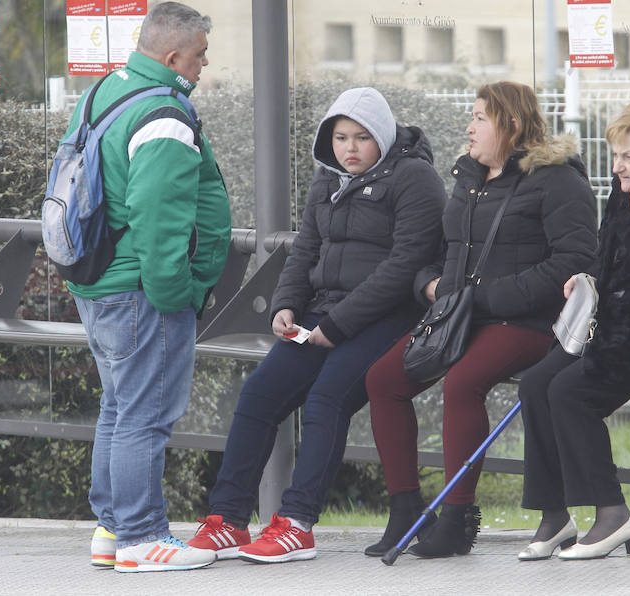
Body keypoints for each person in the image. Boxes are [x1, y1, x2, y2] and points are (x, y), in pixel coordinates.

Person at [187, 87, 446, 564]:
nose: (349, 148)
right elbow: (305, 250)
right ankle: (228, 519)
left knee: (328, 398)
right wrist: (285, 306)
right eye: (341, 137)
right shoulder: (327, 179)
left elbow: (405, 265)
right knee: (260, 394)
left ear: (384, 136)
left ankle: (297, 524)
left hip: (387, 318)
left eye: (362, 138)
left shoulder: (415, 179)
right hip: (321, 314)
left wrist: (339, 325)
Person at [364, 81, 598, 559]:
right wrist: (428, 285)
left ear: (511, 126)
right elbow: (438, 251)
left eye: (480, 119)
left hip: (529, 323)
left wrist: (489, 298)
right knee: (382, 379)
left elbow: (575, 258)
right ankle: (406, 509)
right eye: (471, 118)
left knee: (462, 382)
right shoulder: (467, 177)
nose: (469, 128)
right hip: (459, 316)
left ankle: (458, 518)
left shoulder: (556, 179)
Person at [69, 2, 231, 573]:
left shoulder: (106, 91)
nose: (203, 65)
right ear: (171, 56)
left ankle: (111, 530)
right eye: (199, 54)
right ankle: (142, 538)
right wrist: (178, 293)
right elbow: (160, 220)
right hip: (143, 290)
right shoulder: (163, 114)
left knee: (119, 407)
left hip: (99, 283)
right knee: (145, 415)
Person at [516, 102, 630, 561]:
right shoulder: (624, 194)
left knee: (571, 393)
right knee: (536, 383)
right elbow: (610, 258)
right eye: (615, 154)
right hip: (610, 325)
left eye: (628, 156)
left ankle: (613, 512)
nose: (617, 166)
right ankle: (554, 513)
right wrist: (589, 277)